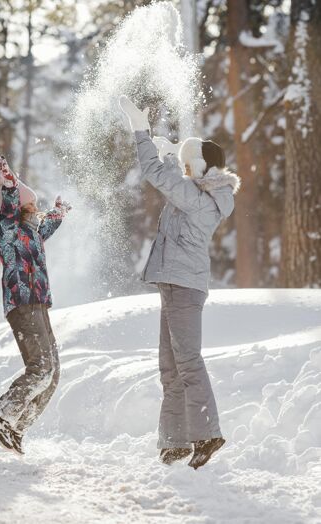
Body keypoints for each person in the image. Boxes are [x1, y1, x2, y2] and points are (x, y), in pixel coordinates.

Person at [119, 96, 240, 469]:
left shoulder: (202, 201)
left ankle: (208, 434)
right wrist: (175, 156)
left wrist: (142, 132)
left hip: (184, 288)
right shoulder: (199, 194)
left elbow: (158, 176)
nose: (186, 171)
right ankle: (174, 443)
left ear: (202, 168)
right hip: (175, 285)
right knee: (170, 369)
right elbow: (175, 180)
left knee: (187, 362)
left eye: (191, 165)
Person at [0, 155, 71, 455]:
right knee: (41, 368)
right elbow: (8, 210)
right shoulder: (6, 230)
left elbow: (43, 229)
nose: (36, 207)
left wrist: (58, 214)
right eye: (30, 203)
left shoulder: (29, 230)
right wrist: (9, 185)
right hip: (21, 303)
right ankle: (0, 415)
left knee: (53, 373)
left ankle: (17, 427)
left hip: (38, 304)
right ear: (19, 205)